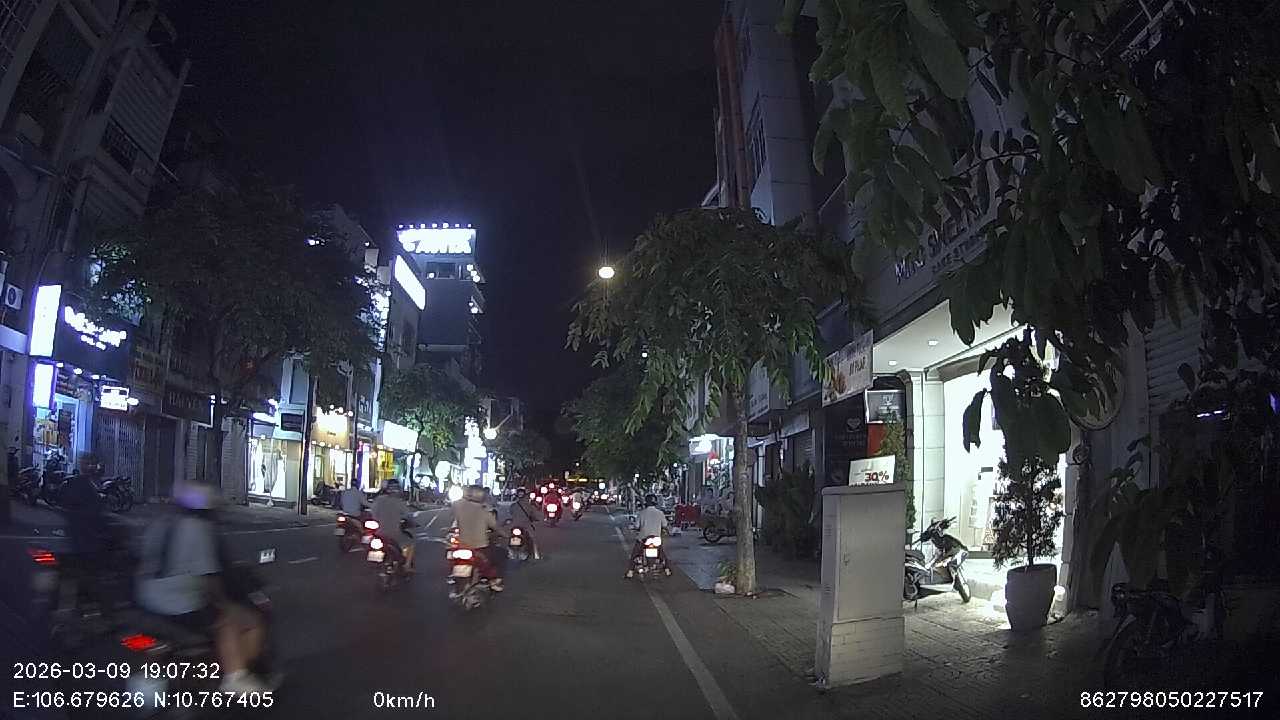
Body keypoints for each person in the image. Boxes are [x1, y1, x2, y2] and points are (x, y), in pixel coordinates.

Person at [135, 483, 270, 693]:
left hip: (147, 600)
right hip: (181, 605)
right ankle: (235, 676)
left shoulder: (159, 525)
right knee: (232, 620)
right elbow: (210, 578)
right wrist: (225, 604)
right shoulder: (199, 530)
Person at [452, 485, 505, 590]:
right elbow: (496, 527)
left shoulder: (458, 506)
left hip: (462, 545)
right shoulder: (485, 512)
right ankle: (493, 580)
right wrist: (505, 534)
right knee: (498, 556)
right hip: (480, 546)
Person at [371, 480, 416, 571]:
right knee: (411, 544)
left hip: (379, 533)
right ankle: (407, 566)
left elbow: (374, 515)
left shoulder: (379, 500)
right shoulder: (399, 502)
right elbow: (408, 515)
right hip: (394, 534)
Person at [625, 494, 672, 578]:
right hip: (656, 539)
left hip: (643, 539)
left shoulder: (642, 513)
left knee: (635, 554)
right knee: (662, 554)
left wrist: (634, 528)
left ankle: (630, 571)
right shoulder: (660, 513)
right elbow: (665, 525)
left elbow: (636, 526)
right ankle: (667, 569)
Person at [507, 487, 543, 560]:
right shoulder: (529, 506)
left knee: (510, 537)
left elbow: (511, 514)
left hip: (515, 526)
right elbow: (533, 515)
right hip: (525, 526)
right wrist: (535, 519)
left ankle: (510, 553)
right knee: (533, 538)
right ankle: (536, 555)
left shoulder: (513, 505)